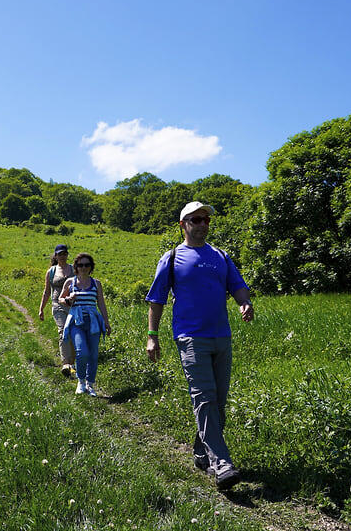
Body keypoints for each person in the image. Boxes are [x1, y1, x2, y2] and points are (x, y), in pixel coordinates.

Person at [145, 201, 254, 491]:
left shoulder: (220, 256)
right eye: (195, 220)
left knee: (218, 402)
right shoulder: (171, 258)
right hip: (190, 337)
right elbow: (157, 299)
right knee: (204, 397)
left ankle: (201, 451)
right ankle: (222, 463)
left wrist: (244, 302)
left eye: (205, 219)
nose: (202, 224)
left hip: (222, 335)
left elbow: (237, 285)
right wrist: (152, 335)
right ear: (183, 225)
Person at [59, 252, 111, 396]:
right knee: (82, 352)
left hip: (93, 321)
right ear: (76, 266)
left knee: (93, 355)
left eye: (87, 265)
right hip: (76, 321)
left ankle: (90, 384)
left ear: (91, 267)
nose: (83, 267)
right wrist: (68, 299)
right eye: (80, 265)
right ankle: (81, 381)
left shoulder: (96, 283)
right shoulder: (70, 282)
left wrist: (106, 322)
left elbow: (101, 303)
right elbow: (60, 299)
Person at [38, 244, 76, 376]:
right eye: (60, 254)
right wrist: (41, 309)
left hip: (73, 306)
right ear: (56, 256)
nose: (62, 256)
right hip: (57, 306)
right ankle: (65, 363)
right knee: (63, 330)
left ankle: (72, 363)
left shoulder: (73, 269)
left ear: (67, 254)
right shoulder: (51, 271)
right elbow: (47, 291)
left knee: (73, 332)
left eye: (64, 253)